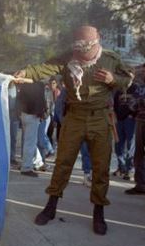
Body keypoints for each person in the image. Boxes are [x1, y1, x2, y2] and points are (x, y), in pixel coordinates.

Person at [14, 25, 133, 235]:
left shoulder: (111, 59)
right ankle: (50, 207)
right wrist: (26, 72)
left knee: (101, 166)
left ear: (98, 41)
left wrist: (112, 80)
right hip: (74, 117)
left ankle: (98, 213)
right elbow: (44, 68)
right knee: (63, 164)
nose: (81, 55)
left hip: (100, 118)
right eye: (78, 50)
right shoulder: (68, 58)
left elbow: (128, 79)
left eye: (85, 50)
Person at [18, 81, 48, 177]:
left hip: (24, 114)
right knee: (30, 142)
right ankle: (26, 167)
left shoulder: (25, 83)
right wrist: (41, 113)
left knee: (28, 141)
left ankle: (34, 162)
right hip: (33, 115)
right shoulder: (39, 85)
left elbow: (19, 98)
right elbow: (40, 101)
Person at [125, 64, 145, 195]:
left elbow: (137, 102)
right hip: (140, 120)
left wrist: (135, 101)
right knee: (138, 153)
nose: (142, 73)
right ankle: (140, 184)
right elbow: (133, 104)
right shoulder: (141, 88)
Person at [112, 84, 136, 180]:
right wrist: (115, 116)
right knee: (118, 144)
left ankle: (130, 169)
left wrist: (133, 115)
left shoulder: (135, 88)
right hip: (119, 120)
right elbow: (114, 104)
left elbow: (138, 103)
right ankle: (121, 167)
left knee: (130, 145)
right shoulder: (119, 90)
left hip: (130, 120)